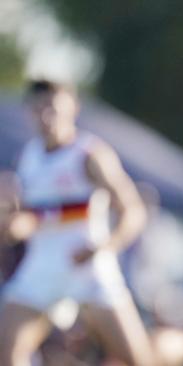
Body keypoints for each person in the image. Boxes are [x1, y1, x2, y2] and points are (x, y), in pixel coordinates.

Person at [0, 80, 154, 365]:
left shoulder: (89, 154)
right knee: (7, 354)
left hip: (89, 269)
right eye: (38, 109)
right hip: (41, 269)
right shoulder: (28, 157)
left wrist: (105, 246)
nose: (46, 116)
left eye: (53, 108)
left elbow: (132, 210)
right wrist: (17, 226)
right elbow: (37, 218)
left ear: (73, 109)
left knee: (138, 360)